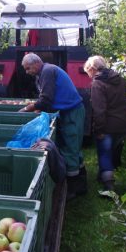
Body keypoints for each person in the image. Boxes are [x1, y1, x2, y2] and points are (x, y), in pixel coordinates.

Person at [18, 53, 87, 200]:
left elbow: (46, 100)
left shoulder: (47, 72)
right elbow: (46, 98)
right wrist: (38, 107)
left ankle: (72, 189)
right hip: (69, 111)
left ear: (36, 63)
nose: (27, 72)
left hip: (72, 112)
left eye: (28, 68)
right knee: (73, 147)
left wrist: (26, 109)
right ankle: (81, 185)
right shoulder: (46, 71)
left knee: (70, 149)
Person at [83, 55, 126, 192]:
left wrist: (99, 130)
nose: (89, 76)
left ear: (93, 69)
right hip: (123, 122)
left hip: (108, 124)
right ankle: (102, 176)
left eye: (88, 72)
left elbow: (99, 110)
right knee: (113, 151)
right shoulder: (120, 80)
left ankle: (109, 186)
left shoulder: (98, 84)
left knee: (104, 152)